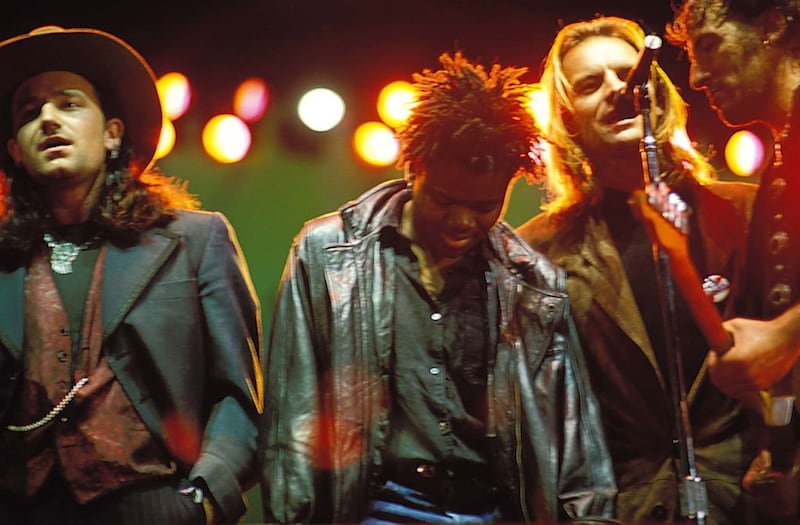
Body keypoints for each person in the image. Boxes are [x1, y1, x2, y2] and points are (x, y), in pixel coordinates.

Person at [261, 51, 616, 524]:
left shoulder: (534, 282)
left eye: (485, 206)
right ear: (414, 168)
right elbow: (295, 419)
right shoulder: (327, 253)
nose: (463, 222)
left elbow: (574, 441)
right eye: (445, 201)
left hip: (492, 510)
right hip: (379, 509)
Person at [0, 26, 263, 525]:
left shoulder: (194, 240)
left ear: (113, 133)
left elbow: (238, 393)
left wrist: (204, 500)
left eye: (68, 104)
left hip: (155, 502)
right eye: (29, 112)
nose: (48, 118)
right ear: (15, 151)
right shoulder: (4, 258)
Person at [516, 16, 759, 524]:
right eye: (590, 84)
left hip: (756, 499)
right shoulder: (538, 252)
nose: (617, 90)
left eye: (629, 75)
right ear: (568, 119)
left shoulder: (751, 213)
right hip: (627, 508)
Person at [668, 0, 800, 519]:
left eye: (709, 45)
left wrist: (787, 336)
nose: (697, 77)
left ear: (772, 26)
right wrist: (781, 449)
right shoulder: (780, 154)